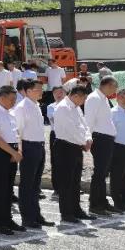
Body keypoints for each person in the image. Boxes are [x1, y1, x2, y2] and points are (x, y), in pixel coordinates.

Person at [51, 84, 93, 222]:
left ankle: (76, 209)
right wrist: (83, 142)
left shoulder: (76, 107)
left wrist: (88, 138)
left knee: (75, 181)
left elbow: (84, 125)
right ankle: (67, 213)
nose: (84, 102)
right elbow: (70, 130)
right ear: (76, 96)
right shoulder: (63, 108)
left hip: (76, 146)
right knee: (66, 182)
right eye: (83, 99)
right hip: (65, 147)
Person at [0, 85, 23, 235]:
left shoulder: (10, 113)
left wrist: (18, 151)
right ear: (2, 97)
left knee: (8, 189)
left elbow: (16, 134)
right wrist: (13, 152)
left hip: (11, 151)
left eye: (15, 99)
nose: (14, 102)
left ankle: (7, 219)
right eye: (11, 99)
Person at [13, 79, 52, 227]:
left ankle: (36, 214)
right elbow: (18, 131)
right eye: (38, 89)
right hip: (28, 147)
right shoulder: (22, 107)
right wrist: (20, 149)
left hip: (39, 146)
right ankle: (27, 217)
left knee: (36, 184)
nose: (41, 92)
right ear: (28, 91)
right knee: (27, 184)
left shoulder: (36, 105)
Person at [86, 76, 119, 214]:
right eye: (114, 87)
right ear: (108, 85)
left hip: (107, 139)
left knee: (104, 172)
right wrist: (88, 137)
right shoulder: (94, 98)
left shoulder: (103, 98)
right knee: (99, 172)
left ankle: (102, 201)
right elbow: (89, 119)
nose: (115, 90)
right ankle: (95, 204)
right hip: (99, 139)